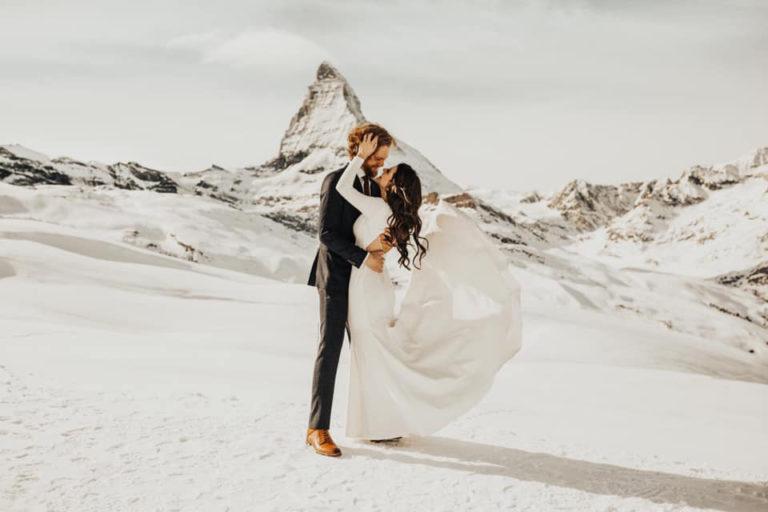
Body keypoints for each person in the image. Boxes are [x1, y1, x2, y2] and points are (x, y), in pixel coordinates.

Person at [336, 133, 522, 444]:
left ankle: (380, 426)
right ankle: (379, 425)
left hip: (365, 288)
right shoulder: (389, 213)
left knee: (371, 356)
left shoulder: (376, 208)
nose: (382, 172)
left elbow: (342, 187)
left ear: (394, 187)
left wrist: (359, 157)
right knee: (373, 356)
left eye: (389, 173)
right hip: (374, 286)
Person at [306, 123, 394, 457]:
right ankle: (317, 429)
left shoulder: (373, 188)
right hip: (336, 279)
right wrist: (363, 258)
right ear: (360, 149)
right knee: (331, 349)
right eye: (376, 157)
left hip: (364, 282)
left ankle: (375, 425)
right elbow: (326, 233)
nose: (380, 164)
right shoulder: (333, 181)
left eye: (384, 158)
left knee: (369, 350)